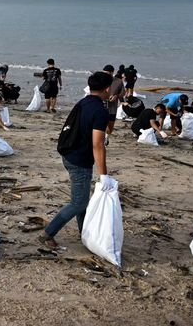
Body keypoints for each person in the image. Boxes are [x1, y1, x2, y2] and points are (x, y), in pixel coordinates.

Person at [40, 71, 114, 250]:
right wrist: (103, 175)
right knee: (78, 202)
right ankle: (48, 233)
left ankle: (84, 232)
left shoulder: (83, 102)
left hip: (69, 154)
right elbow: (98, 144)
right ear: (107, 88)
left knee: (81, 199)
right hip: (80, 160)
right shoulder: (100, 111)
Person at [103, 64, 125, 145]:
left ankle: (107, 137)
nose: (105, 75)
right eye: (104, 73)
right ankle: (99, 138)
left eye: (107, 73)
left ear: (112, 73)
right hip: (101, 105)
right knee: (100, 123)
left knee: (110, 125)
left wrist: (116, 96)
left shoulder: (118, 81)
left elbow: (123, 92)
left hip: (112, 107)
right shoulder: (100, 80)